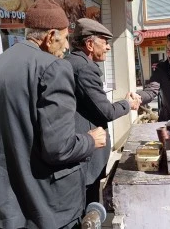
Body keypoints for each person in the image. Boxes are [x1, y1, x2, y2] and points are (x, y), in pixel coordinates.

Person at [0, 0, 107, 229]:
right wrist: (90, 141)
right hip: (48, 210)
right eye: (64, 39)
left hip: (4, 210)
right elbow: (59, 148)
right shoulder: (53, 68)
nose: (66, 48)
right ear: (51, 36)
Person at [64, 18, 140, 205]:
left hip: (79, 148)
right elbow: (105, 111)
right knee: (87, 208)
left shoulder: (73, 63)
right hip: (85, 153)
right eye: (105, 42)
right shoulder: (84, 69)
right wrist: (127, 104)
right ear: (90, 44)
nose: (108, 47)